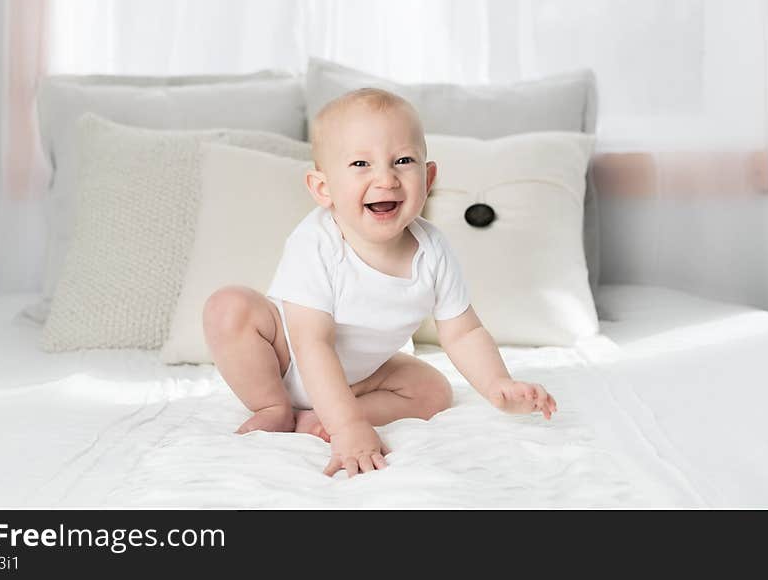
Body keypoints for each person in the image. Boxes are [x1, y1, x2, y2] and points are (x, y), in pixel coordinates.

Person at [203, 87, 557, 478]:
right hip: (285, 357)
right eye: (360, 164)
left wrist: (497, 385)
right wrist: (349, 429)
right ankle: (274, 407)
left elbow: (463, 332)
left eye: (403, 161)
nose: (385, 179)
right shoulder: (316, 242)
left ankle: (318, 418)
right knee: (229, 307)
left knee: (433, 390)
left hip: (360, 377)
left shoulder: (433, 250)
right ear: (323, 188)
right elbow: (311, 343)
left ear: (430, 177)